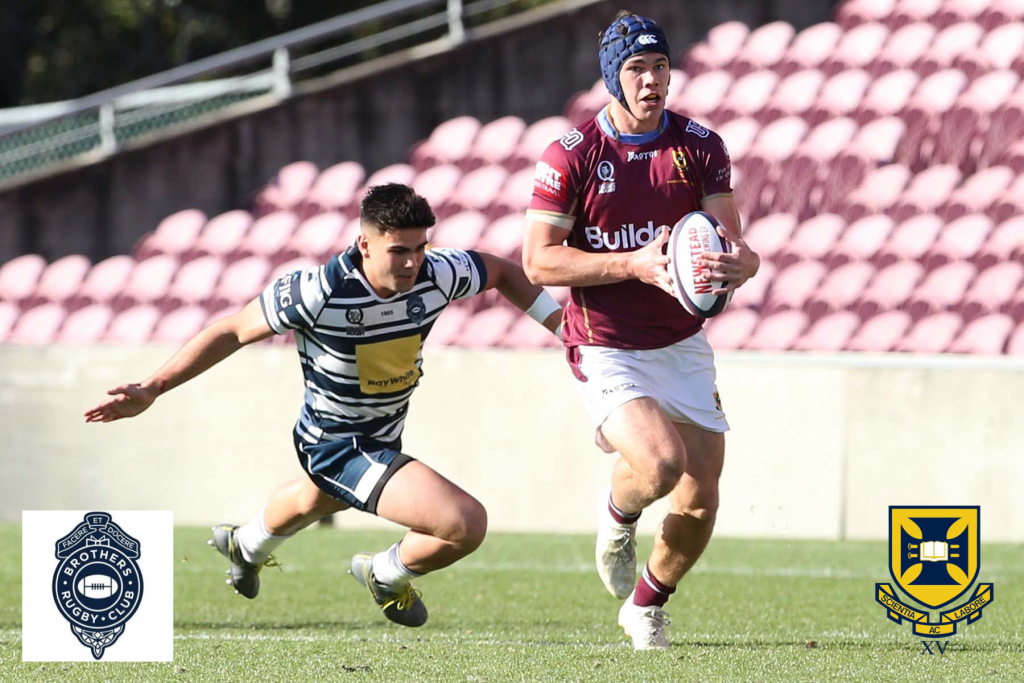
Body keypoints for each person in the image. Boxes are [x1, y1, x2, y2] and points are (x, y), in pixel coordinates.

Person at [85, 183, 563, 627]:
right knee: (464, 524)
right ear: (365, 245)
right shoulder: (317, 291)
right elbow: (231, 330)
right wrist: (153, 386)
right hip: (337, 444)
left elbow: (501, 271)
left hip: (380, 433)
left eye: (420, 249)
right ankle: (385, 573)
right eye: (399, 251)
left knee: (319, 498)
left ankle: (245, 545)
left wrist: (566, 331)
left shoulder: (437, 273)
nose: (413, 263)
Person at [522, 12, 760, 650]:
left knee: (700, 498)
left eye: (659, 67)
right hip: (605, 343)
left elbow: (732, 241)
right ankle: (619, 512)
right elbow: (538, 261)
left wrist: (744, 263)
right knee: (659, 465)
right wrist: (632, 264)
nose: (652, 81)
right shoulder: (572, 155)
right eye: (636, 69)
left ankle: (647, 604)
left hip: (681, 342)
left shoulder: (700, 146)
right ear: (612, 78)